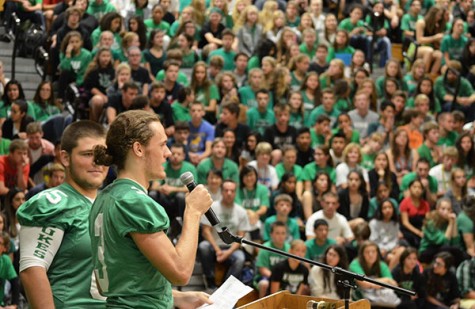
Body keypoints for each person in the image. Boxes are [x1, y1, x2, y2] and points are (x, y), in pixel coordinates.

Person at [89, 110, 213, 308]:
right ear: (138, 149)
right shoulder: (134, 202)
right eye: (163, 144)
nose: (168, 152)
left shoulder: (105, 197)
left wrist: (176, 297)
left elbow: (128, 282)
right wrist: (193, 212)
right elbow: (180, 272)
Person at [17, 120, 108, 308]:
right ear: (65, 158)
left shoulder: (109, 204)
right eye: (88, 154)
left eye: (102, 155)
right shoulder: (54, 203)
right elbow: (32, 270)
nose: (97, 162)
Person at [199, 179, 251, 290]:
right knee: (203, 246)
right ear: (221, 191)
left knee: (240, 258)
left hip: (231, 248)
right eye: (226, 190)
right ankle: (210, 281)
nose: (229, 193)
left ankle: (225, 288)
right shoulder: (212, 207)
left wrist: (228, 253)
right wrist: (217, 250)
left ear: (235, 193)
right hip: (214, 245)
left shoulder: (241, 211)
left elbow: (241, 238)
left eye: (232, 191)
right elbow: (206, 231)